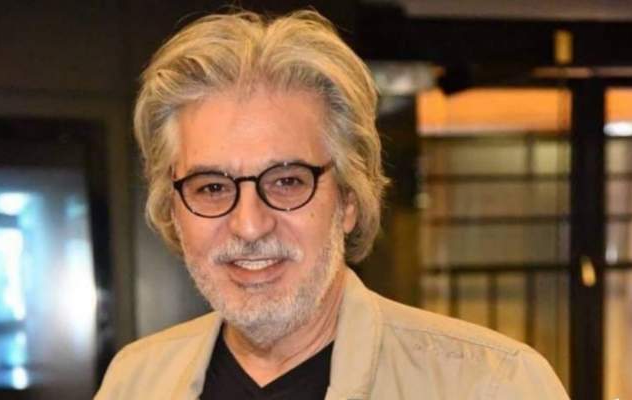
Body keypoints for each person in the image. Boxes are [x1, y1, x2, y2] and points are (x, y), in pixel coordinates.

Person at [95, 10, 569, 400]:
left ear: (348, 199)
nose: (250, 225)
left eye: (286, 181)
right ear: (173, 210)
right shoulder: (135, 382)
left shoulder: (492, 385)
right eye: (212, 188)